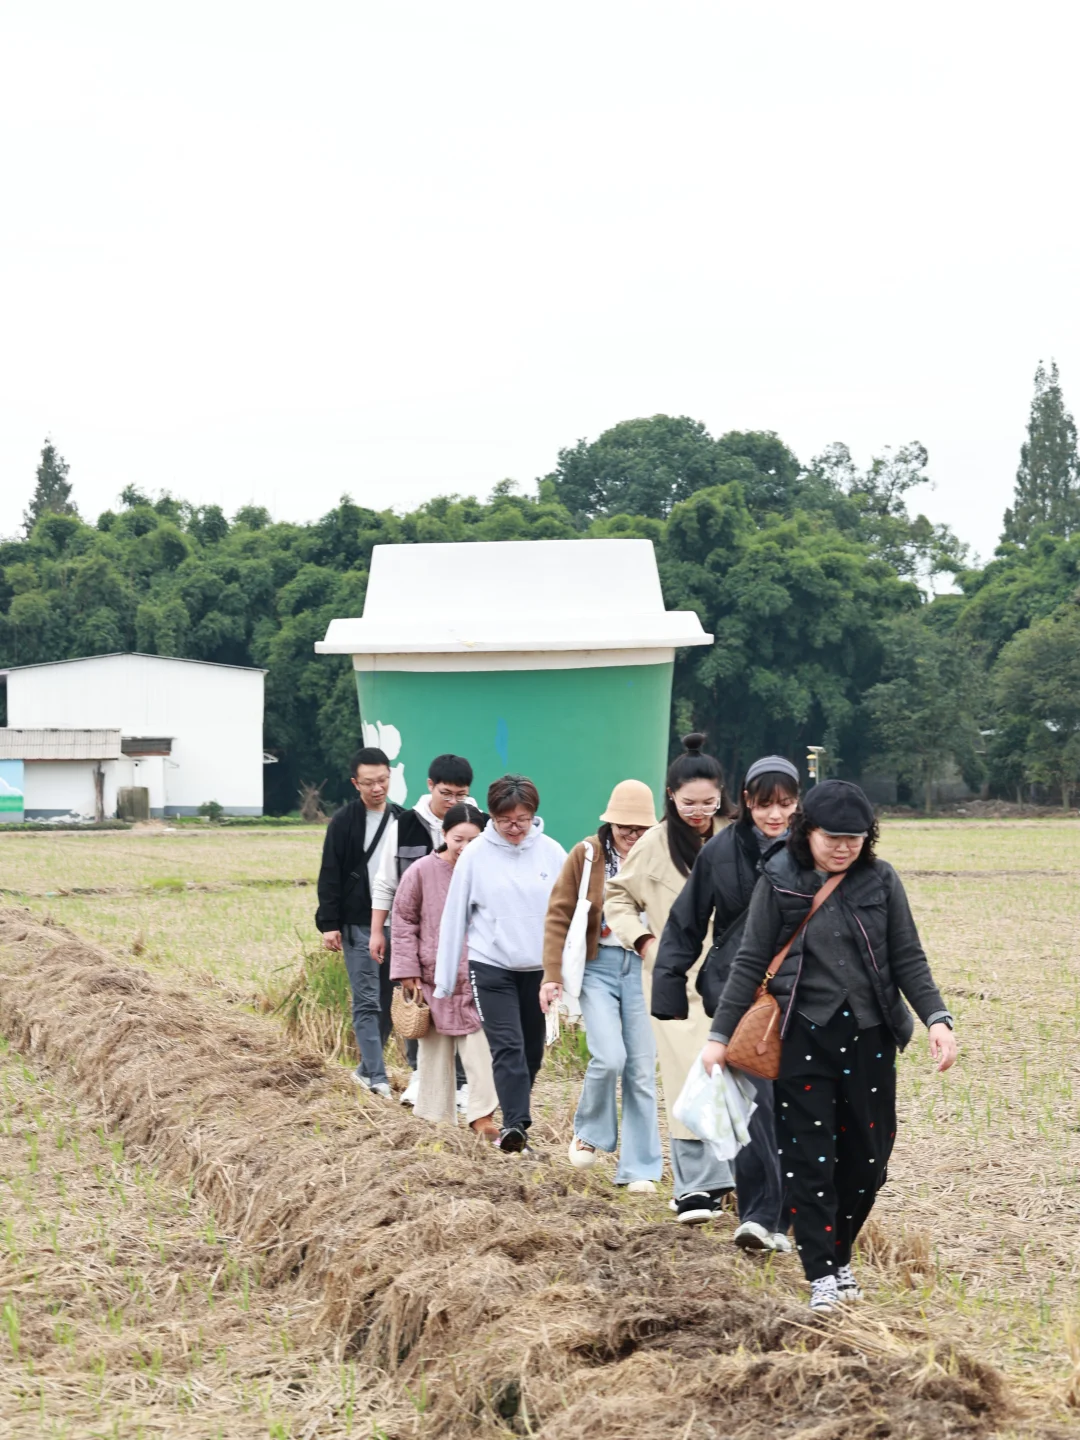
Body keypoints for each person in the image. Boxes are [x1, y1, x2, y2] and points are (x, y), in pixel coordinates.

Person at [702, 779, 958, 1313]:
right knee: (810, 1157)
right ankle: (822, 1271)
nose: (844, 847)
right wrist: (719, 1037)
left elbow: (908, 956)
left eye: (856, 838)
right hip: (803, 1036)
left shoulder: (881, 881)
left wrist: (936, 1017)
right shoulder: (778, 881)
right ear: (806, 832)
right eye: (832, 837)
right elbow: (749, 961)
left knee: (869, 1159)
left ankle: (839, 1253)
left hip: (871, 1037)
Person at [653, 755, 801, 1254]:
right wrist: (669, 983)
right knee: (752, 1107)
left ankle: (781, 1212)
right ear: (747, 803)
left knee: (789, 1107)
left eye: (784, 804)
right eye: (765, 804)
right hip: (738, 994)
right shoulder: (719, 852)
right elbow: (686, 921)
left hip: (798, 993)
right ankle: (761, 1215)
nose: (774, 815)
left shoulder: (812, 852)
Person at [604, 734, 734, 1223]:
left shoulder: (737, 838)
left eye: (709, 802)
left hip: (735, 979)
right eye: (689, 803)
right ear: (671, 798)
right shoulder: (655, 843)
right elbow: (617, 898)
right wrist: (644, 942)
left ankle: (727, 1180)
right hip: (675, 982)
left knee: (733, 1076)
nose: (699, 812)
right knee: (689, 1076)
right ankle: (693, 1189)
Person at [539, 780, 663, 1194]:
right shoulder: (587, 854)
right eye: (624, 826)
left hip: (644, 967)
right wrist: (552, 974)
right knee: (610, 1057)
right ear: (609, 823)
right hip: (598, 965)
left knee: (641, 1069)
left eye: (640, 827)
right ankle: (589, 1132)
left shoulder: (663, 855)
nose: (632, 834)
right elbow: (558, 913)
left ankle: (640, 1167)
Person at [434, 774, 567, 1154]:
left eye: (522, 819)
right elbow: (454, 916)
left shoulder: (553, 852)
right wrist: (445, 981)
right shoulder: (476, 855)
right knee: (506, 1046)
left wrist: (566, 973)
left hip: (538, 970)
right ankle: (515, 1125)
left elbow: (571, 914)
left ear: (533, 816)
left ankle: (515, 1120)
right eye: (506, 819)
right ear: (491, 816)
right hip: (490, 965)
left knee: (531, 1052)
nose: (514, 827)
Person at [370, 754, 475, 1108]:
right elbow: (386, 884)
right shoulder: (404, 825)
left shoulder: (481, 825)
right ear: (430, 785)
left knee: (466, 1007)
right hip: (421, 932)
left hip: (469, 939)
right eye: (447, 793)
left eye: (461, 794)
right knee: (420, 1003)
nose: (453, 801)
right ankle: (419, 1075)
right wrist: (377, 931)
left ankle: (462, 1084)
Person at [389, 803, 500, 1139]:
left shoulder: (492, 871)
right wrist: (407, 968)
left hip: (479, 976)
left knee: (482, 1050)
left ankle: (483, 1118)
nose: (465, 846)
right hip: (433, 977)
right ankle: (435, 1122)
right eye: (458, 838)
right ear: (444, 836)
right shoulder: (421, 871)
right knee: (434, 1052)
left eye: (473, 839)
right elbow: (404, 919)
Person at [315, 746, 403, 1097]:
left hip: (400, 924)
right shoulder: (344, 821)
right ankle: (379, 1079)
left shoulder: (403, 819)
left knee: (389, 999)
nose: (377, 788)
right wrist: (329, 923)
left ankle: (366, 1070)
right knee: (367, 999)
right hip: (358, 923)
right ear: (356, 783)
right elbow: (330, 873)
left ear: (389, 777)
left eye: (382, 780)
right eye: (368, 782)